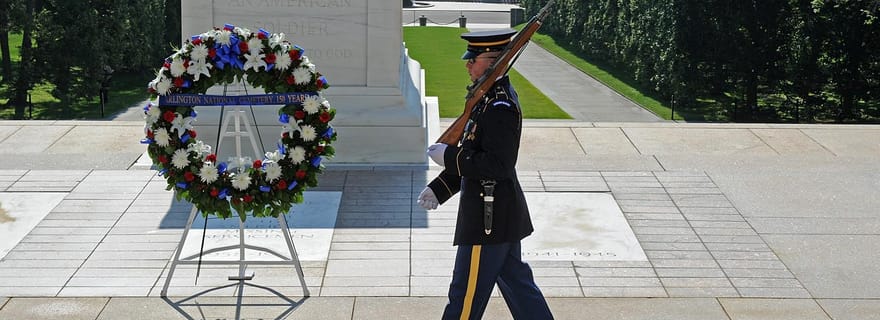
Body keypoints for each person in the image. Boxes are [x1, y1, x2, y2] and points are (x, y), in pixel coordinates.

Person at [418, 28, 554, 320]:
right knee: (520, 289)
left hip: (487, 219)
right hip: (499, 216)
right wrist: (440, 188)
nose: (467, 64)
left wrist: (449, 156)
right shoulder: (487, 97)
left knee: (464, 299)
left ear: (494, 61)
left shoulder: (499, 105)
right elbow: (474, 152)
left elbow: (496, 165)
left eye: (473, 59)